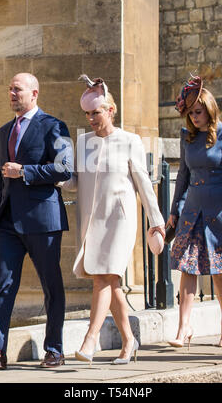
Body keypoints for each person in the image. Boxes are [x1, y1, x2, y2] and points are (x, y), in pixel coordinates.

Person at [0, 73, 73, 370]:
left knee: (51, 286)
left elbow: (65, 168)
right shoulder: (3, 132)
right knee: (2, 285)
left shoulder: (54, 126)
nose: (11, 93)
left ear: (34, 93)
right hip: (8, 223)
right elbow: (0, 179)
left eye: (17, 89)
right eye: (10, 89)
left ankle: (54, 350)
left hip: (43, 221)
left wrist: (25, 171)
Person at [60, 74, 165, 365]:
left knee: (104, 278)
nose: (92, 118)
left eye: (96, 112)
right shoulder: (83, 142)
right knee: (109, 281)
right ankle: (129, 341)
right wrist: (55, 177)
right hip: (93, 220)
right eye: (88, 114)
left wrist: (155, 221)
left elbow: (143, 183)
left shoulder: (130, 141)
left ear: (111, 110)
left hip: (120, 220)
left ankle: (90, 339)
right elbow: (75, 182)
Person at [167, 75, 222, 349]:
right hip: (193, 210)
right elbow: (182, 176)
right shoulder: (187, 137)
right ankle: (184, 329)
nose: (194, 117)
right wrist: (174, 210)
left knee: (220, 271)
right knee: (187, 268)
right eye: (190, 112)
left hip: (220, 209)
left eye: (198, 111)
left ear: (209, 108)